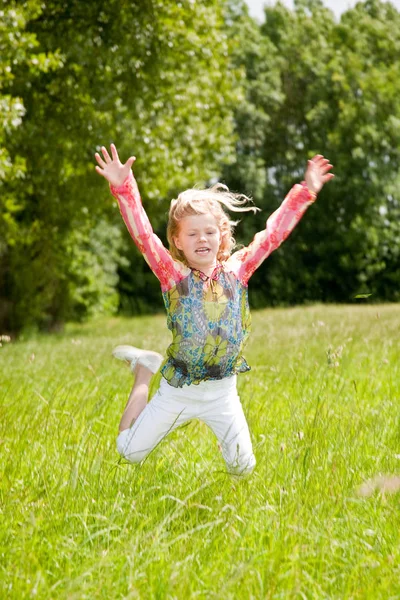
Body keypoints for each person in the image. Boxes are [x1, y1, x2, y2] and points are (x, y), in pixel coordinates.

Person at [95, 144, 334, 474]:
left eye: (209, 231)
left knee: (243, 468)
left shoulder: (239, 269)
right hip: (178, 390)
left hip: (222, 394)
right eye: (192, 233)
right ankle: (143, 371)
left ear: (222, 236)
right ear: (178, 241)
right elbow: (144, 237)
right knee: (130, 452)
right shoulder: (172, 275)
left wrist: (305, 192)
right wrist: (124, 187)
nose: (202, 239)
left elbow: (272, 235)